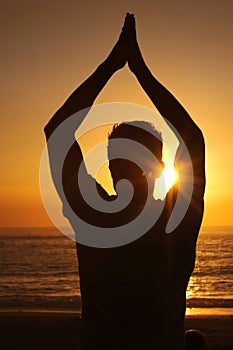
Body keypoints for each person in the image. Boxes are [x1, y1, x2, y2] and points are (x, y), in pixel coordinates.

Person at [44, 13, 205, 350]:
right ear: (160, 167)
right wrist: (139, 70)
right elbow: (194, 139)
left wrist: (113, 65)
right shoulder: (178, 220)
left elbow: (57, 131)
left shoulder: (93, 214)